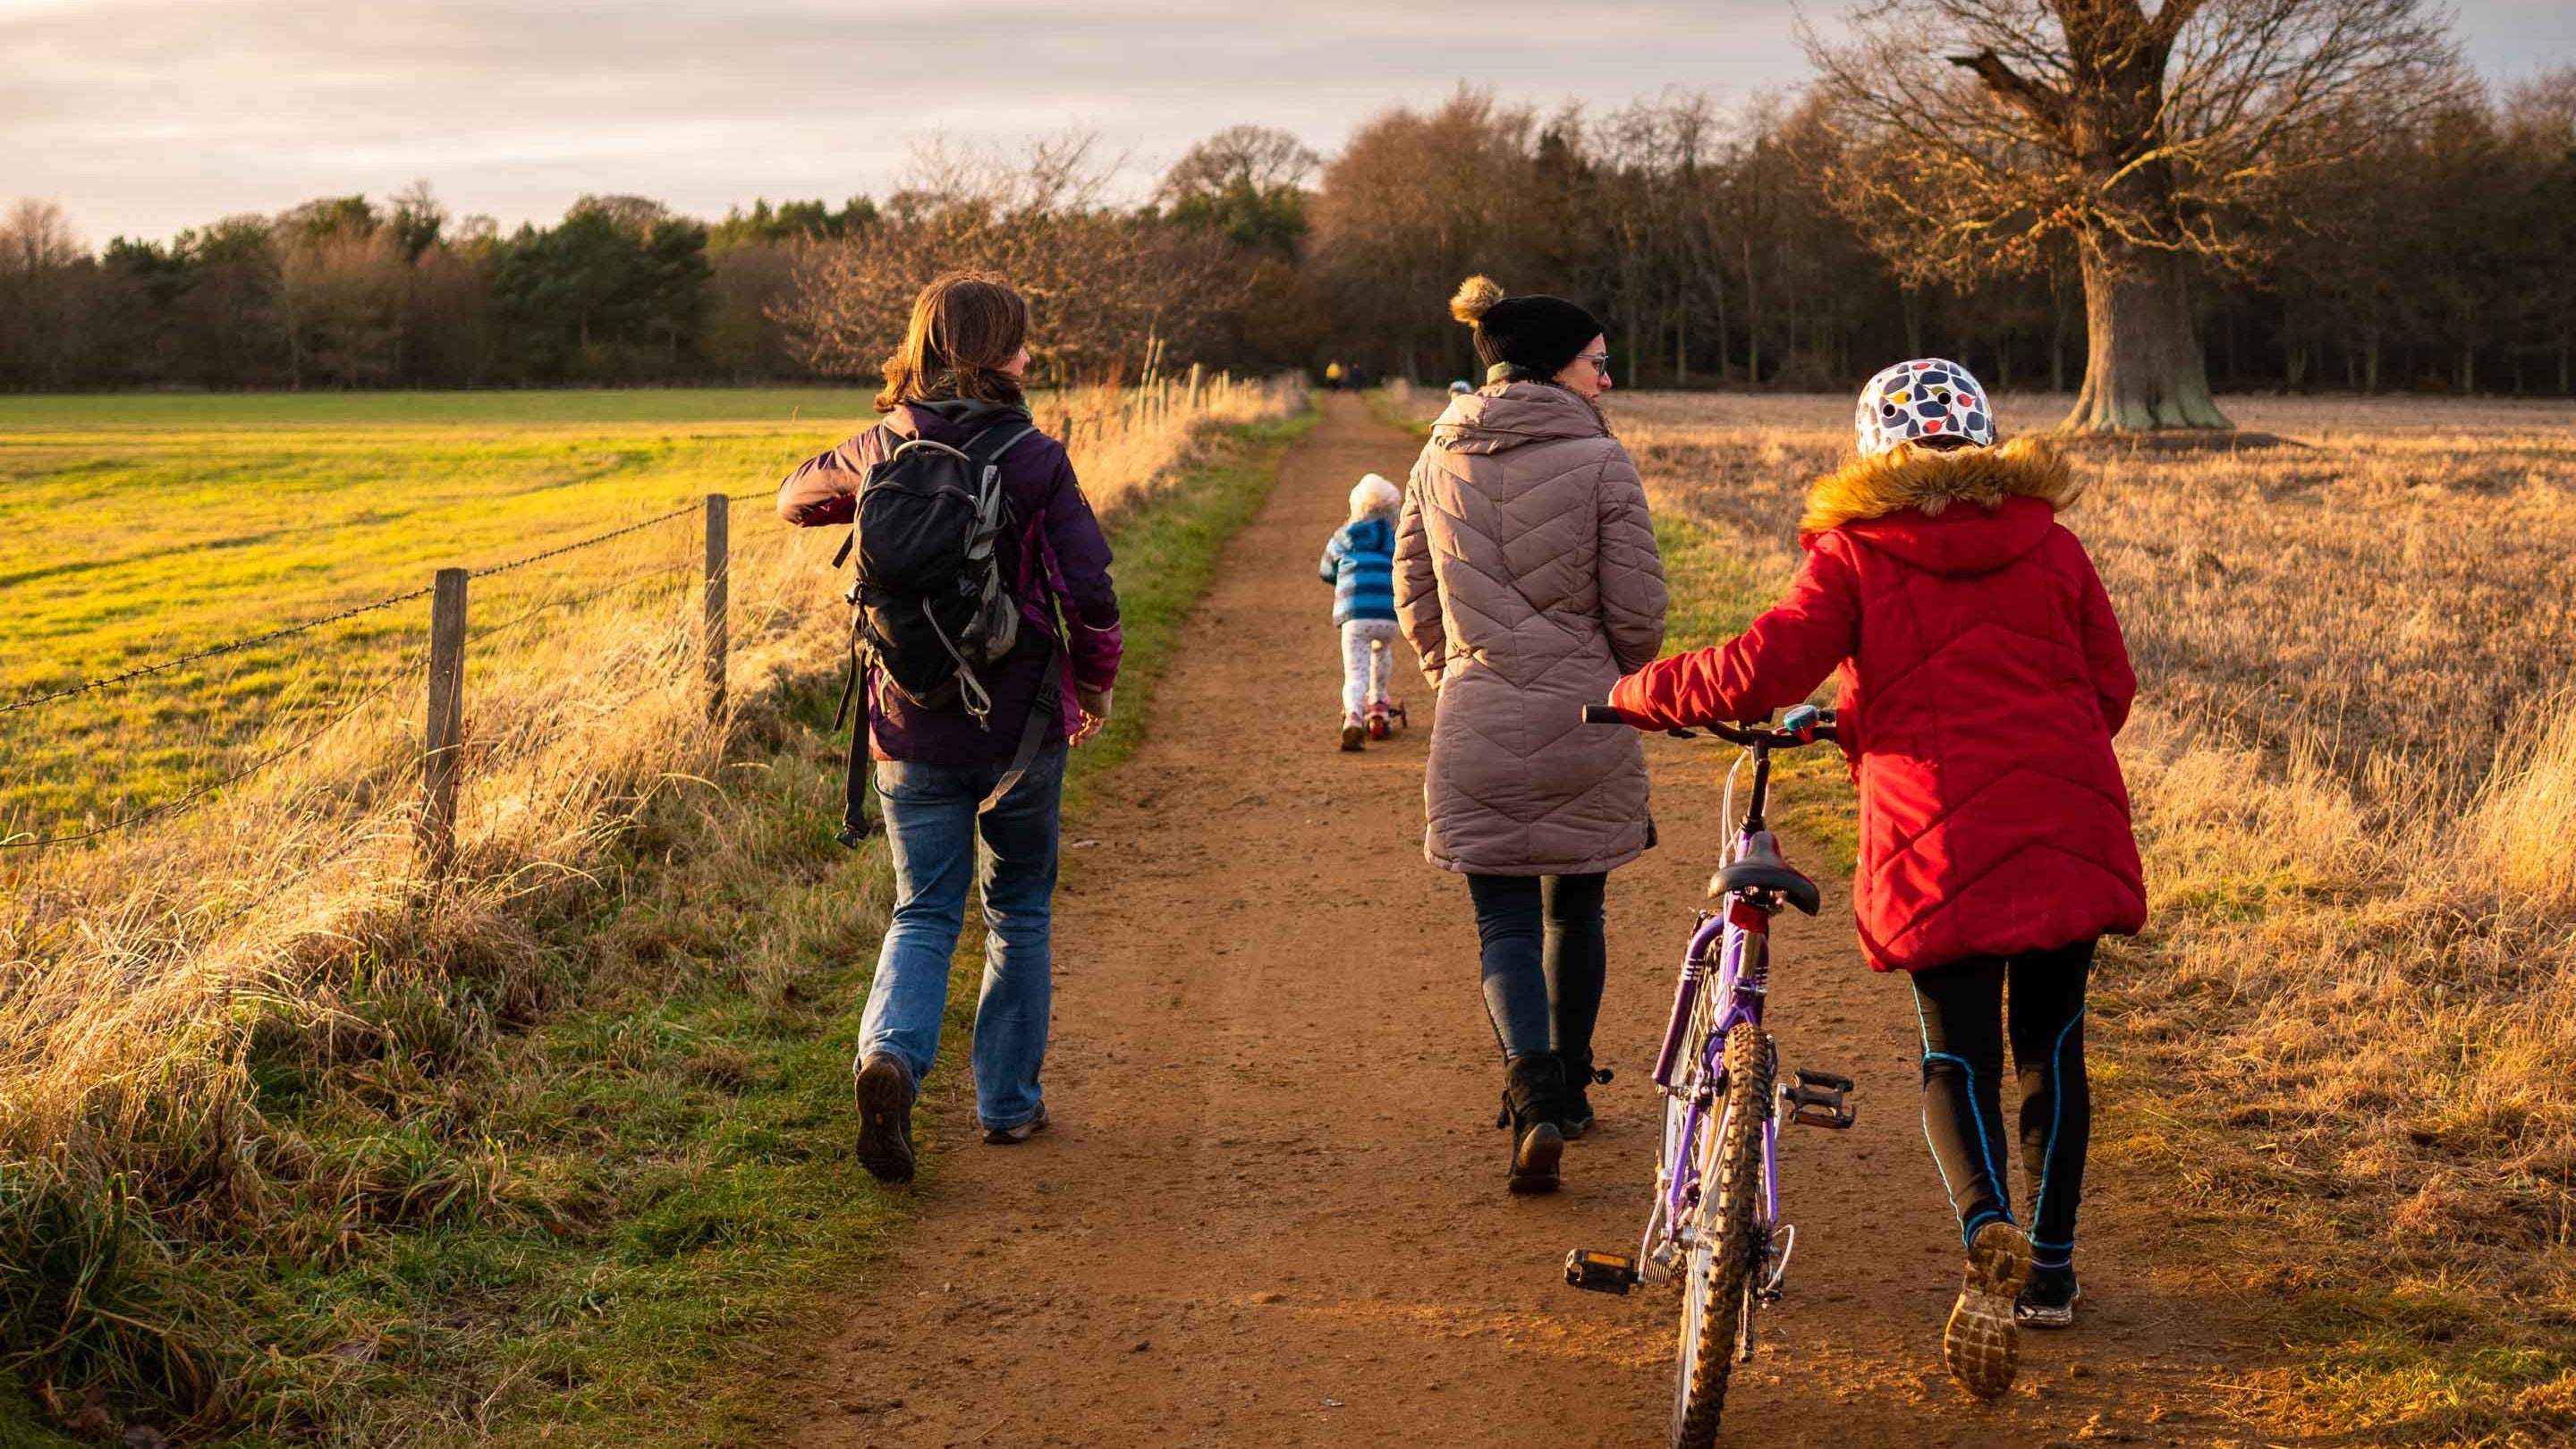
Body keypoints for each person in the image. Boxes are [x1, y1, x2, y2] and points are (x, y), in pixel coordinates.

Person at [1605, 359, 2143, 1399]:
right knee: (2055, 1046)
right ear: (1982, 441)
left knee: (1955, 1057)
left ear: (1872, 452)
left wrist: (1638, 690)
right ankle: (2053, 1269)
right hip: (2066, 818)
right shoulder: (2054, 544)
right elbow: (2109, 689)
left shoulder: (1856, 555)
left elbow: (1758, 673)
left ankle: (1986, 1224)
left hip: (1936, 840)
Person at [776, 271, 1123, 1183]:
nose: (1031, 356)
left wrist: (876, 475)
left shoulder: (880, 443)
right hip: (1019, 726)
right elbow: (1090, 590)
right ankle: (1008, 1108)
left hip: (908, 715)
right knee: (1018, 909)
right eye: (1021, 342)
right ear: (1001, 355)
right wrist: (1095, 686)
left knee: (923, 908)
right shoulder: (1038, 457)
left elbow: (792, 499)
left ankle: (887, 1056)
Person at [1395, 275, 1667, 1194]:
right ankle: (1575, 1091)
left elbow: (1414, 594)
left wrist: (1456, 677)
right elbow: (1639, 617)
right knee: (1575, 909)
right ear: (1559, 366)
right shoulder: (1603, 463)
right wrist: (1613, 670)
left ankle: (1534, 1094)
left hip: (1475, 707)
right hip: (1586, 711)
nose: (1609, 381)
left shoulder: (1436, 458)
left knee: (1502, 919)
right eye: (1599, 363)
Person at [1318, 473, 1405, 750]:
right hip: (1388, 615)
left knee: (1355, 672)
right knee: (1381, 652)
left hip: (1355, 616)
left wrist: (1341, 581)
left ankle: (1354, 717)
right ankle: (1379, 703)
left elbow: (1327, 571)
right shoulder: (1395, 540)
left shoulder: (1343, 538)